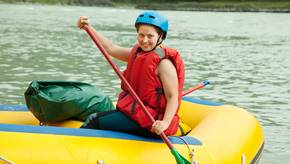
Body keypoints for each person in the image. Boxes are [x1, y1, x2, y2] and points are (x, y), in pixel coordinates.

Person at [77, 11, 191, 138]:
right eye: (141, 35)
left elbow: (173, 97)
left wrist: (164, 123)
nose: (144, 40)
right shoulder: (138, 53)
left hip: (153, 123)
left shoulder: (164, 64)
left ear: (160, 36)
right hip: (138, 114)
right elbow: (111, 48)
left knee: (93, 119)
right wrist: (89, 28)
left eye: (150, 36)